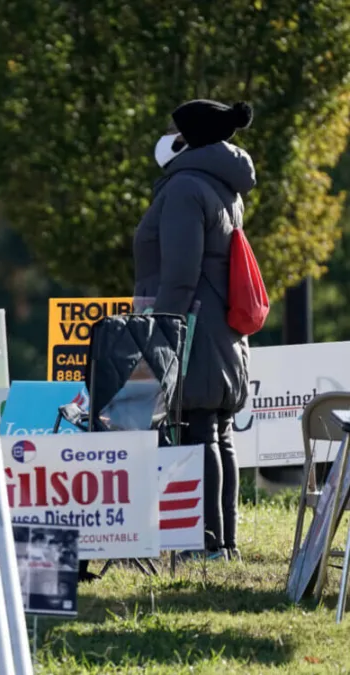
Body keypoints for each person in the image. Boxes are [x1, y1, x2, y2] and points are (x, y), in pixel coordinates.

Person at [133, 99, 255, 562]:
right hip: (218, 325)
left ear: (188, 138)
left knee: (197, 430)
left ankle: (202, 545)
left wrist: (162, 333)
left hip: (191, 325)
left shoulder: (184, 187)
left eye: (172, 129)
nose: (166, 135)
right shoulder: (221, 185)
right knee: (216, 431)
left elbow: (180, 273)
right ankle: (222, 545)